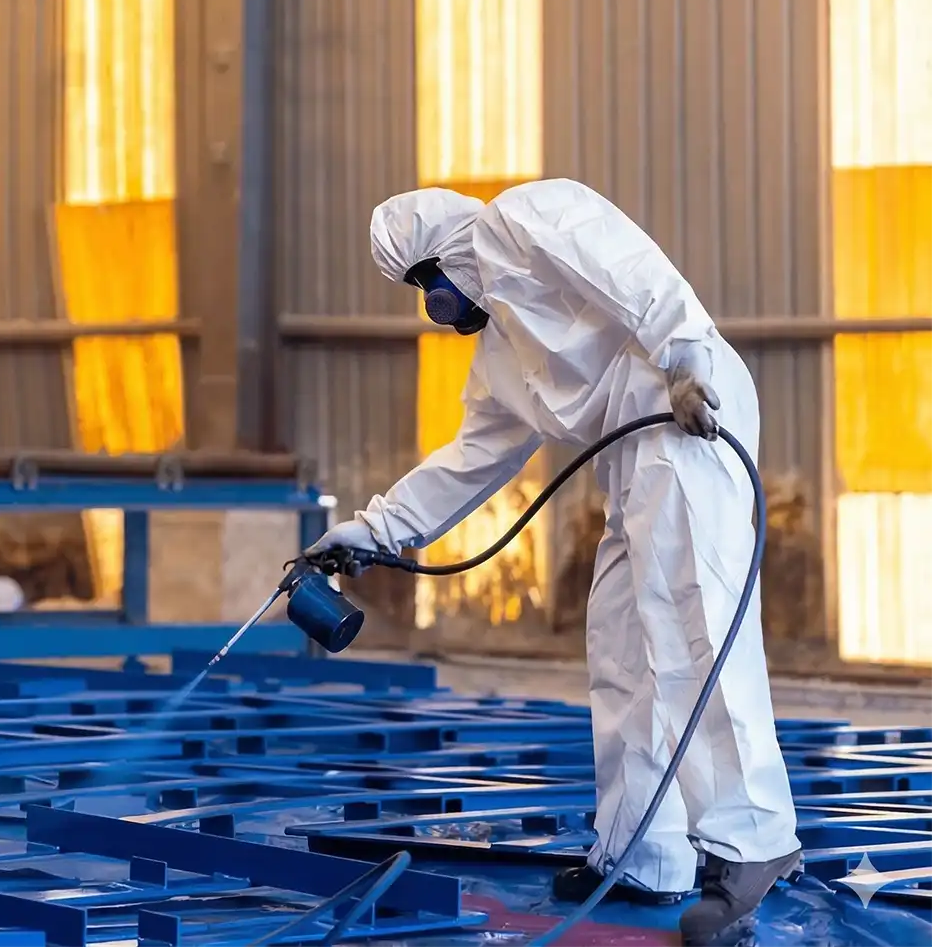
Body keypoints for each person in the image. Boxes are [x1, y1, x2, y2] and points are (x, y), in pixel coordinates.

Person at [306, 179, 801, 947]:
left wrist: (683, 358)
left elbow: (629, 267)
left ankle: (754, 838)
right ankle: (644, 850)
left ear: (446, 251)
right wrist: (372, 530)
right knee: (622, 646)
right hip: (633, 450)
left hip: (682, 408)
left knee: (694, 621)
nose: (432, 305)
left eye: (424, 282)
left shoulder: (524, 218)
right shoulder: (503, 357)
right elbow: (471, 460)